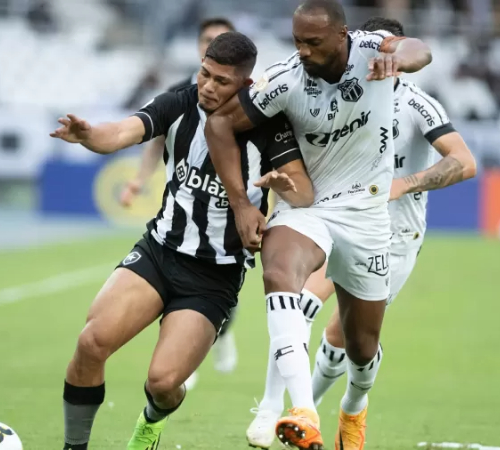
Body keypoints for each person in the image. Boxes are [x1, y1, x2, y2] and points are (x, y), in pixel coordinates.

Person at [50, 32, 313, 450]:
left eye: (221, 81)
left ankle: (151, 422)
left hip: (212, 277)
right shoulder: (178, 103)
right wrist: (89, 135)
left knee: (163, 384)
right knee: (91, 343)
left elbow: (304, 193)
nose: (207, 86)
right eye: (204, 73)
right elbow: (120, 132)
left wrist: (284, 184)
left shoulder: (269, 124)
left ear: (245, 85)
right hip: (159, 252)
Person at [204, 1, 433, 448]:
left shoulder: (372, 50)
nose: (303, 51)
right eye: (297, 41)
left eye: (313, 42)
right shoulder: (285, 81)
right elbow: (219, 125)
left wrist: (399, 60)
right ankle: (302, 410)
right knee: (279, 273)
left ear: (342, 35)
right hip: (309, 207)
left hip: (367, 217)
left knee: (361, 347)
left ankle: (353, 406)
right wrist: (242, 205)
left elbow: (419, 49)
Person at [245, 16, 477, 449]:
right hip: (333, 217)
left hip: (393, 234)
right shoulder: (331, 90)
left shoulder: (416, 104)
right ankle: (283, 411)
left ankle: (352, 406)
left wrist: (402, 185)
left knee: (349, 344)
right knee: (299, 302)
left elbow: (465, 162)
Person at [120, 17, 238, 390]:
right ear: (199, 47)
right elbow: (155, 138)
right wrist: (139, 180)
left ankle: (218, 334)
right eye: (207, 40)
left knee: (220, 275)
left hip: (228, 215)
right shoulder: (179, 94)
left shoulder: (251, 101)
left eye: (221, 39)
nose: (212, 45)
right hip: (181, 210)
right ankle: (180, 352)